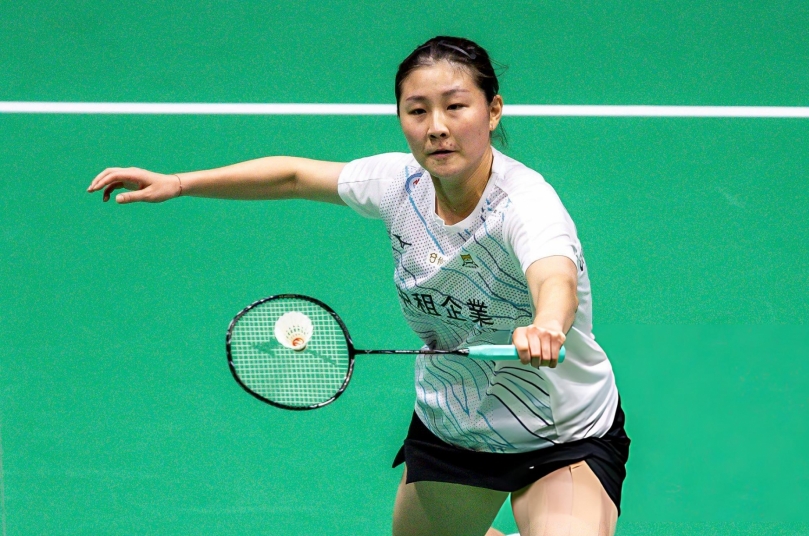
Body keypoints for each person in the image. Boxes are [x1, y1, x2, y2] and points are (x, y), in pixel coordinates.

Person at [88, 36, 630, 536]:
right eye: (417, 111)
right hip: (456, 425)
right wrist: (180, 183)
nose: (436, 127)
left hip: (561, 432)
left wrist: (547, 323)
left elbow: (554, 273)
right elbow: (294, 176)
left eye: (455, 106)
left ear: (493, 111)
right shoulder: (399, 185)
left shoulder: (527, 204)